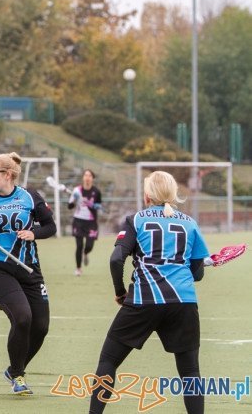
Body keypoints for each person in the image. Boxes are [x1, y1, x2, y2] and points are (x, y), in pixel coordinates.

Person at [89, 171, 208, 414]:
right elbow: (197, 274)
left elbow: (116, 260)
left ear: (147, 196)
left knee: (108, 361)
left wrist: (120, 291)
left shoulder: (136, 220)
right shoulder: (190, 224)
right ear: (174, 194)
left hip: (143, 299)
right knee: (190, 372)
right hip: (183, 302)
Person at [0, 152, 56, 395]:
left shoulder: (30, 196)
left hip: (30, 269)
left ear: (8, 175)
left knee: (41, 326)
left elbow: (50, 226)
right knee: (23, 317)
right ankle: (18, 375)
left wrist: (34, 233)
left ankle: (15, 367)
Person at [68, 169, 102, 276]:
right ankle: (78, 268)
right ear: (83, 177)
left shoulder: (96, 192)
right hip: (78, 221)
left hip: (91, 222)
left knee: (89, 246)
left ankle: (86, 253)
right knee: (79, 245)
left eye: (90, 175)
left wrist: (95, 206)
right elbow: (69, 206)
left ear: (92, 178)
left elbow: (99, 205)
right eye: (85, 175)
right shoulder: (76, 190)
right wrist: (74, 200)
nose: (87, 177)